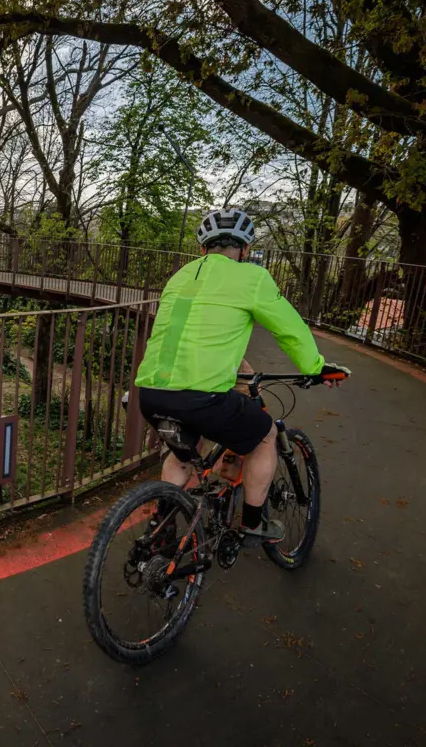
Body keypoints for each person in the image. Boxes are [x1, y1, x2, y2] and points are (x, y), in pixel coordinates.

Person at [134, 208, 348, 544]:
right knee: (264, 436)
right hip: (202, 397)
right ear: (245, 251)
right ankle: (251, 523)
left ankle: (160, 529)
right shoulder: (252, 278)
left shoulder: (181, 276)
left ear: (202, 249)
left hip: (150, 392)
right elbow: (290, 330)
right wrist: (316, 367)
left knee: (183, 453)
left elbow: (192, 334)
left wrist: (238, 366)